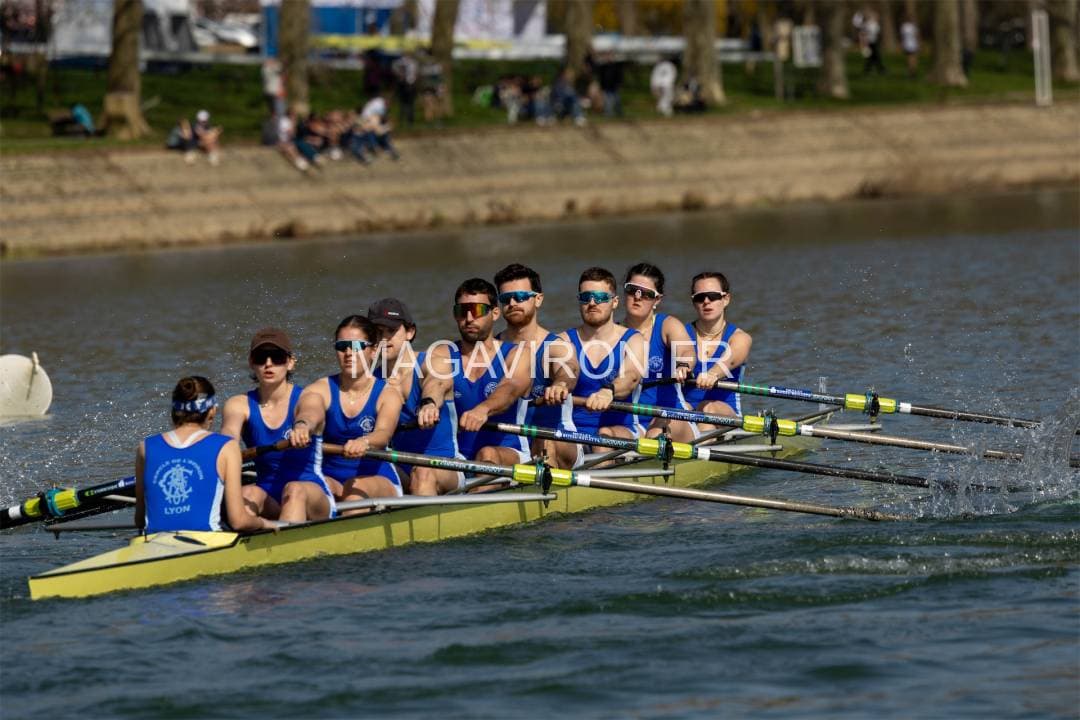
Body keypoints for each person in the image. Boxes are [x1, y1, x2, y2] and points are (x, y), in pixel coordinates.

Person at [220, 328, 334, 524]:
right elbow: (229, 433)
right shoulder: (238, 404)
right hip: (269, 495)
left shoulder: (308, 397)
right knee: (247, 493)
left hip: (311, 494)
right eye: (261, 357)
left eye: (277, 357)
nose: (268, 363)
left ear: (290, 362)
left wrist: (302, 427)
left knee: (294, 489)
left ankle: (286, 541)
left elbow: (309, 414)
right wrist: (224, 449)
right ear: (251, 362)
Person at [135, 376, 275, 534]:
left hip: (151, 541)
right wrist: (263, 523)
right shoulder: (227, 446)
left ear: (174, 411)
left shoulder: (145, 447)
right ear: (212, 410)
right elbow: (239, 522)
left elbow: (139, 520)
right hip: (207, 540)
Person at [292, 316, 405, 510]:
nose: (348, 353)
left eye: (357, 346)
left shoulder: (388, 394)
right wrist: (302, 426)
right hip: (331, 478)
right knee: (300, 489)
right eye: (342, 346)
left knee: (354, 490)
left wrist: (365, 441)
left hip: (377, 478)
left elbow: (383, 433)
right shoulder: (320, 389)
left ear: (374, 350)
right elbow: (310, 412)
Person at [422, 278, 533, 468]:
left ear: (495, 313)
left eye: (478, 310)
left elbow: (510, 387)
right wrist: (429, 403)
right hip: (457, 458)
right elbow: (436, 382)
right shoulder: (442, 353)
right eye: (462, 311)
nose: (469, 318)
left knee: (487, 453)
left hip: (509, 452)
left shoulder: (518, 354)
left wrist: (484, 409)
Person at [367, 298, 464, 496]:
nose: (383, 339)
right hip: (400, 467)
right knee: (363, 479)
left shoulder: (434, 363)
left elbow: (436, 384)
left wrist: (429, 404)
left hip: (445, 465)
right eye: (377, 332)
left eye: (391, 331)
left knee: (423, 473)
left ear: (410, 332)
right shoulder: (371, 381)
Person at [493, 263, 581, 469]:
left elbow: (569, 369)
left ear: (538, 299)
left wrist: (560, 385)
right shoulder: (490, 350)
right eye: (506, 299)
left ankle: (547, 483)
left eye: (520, 297)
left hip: (557, 436)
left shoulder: (556, 347)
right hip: (511, 444)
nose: (512, 303)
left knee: (544, 440)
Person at [560, 267, 645, 450]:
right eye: (586, 297)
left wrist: (609, 391)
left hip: (622, 429)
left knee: (603, 436)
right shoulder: (563, 341)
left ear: (615, 302)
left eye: (600, 297)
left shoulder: (633, 339)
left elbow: (631, 376)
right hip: (574, 432)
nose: (592, 303)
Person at [619, 263, 696, 442]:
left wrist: (683, 365)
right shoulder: (614, 332)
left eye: (646, 294)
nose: (637, 297)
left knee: (654, 435)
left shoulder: (667, 325)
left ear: (657, 300)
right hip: (631, 422)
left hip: (671, 415)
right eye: (632, 290)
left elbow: (686, 350)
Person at [682, 272, 752, 429]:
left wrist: (713, 374)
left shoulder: (740, 338)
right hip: (687, 412)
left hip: (724, 415)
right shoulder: (680, 334)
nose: (706, 301)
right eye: (700, 297)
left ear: (726, 299)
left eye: (713, 296)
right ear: (694, 302)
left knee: (708, 408)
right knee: (680, 409)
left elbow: (730, 359)